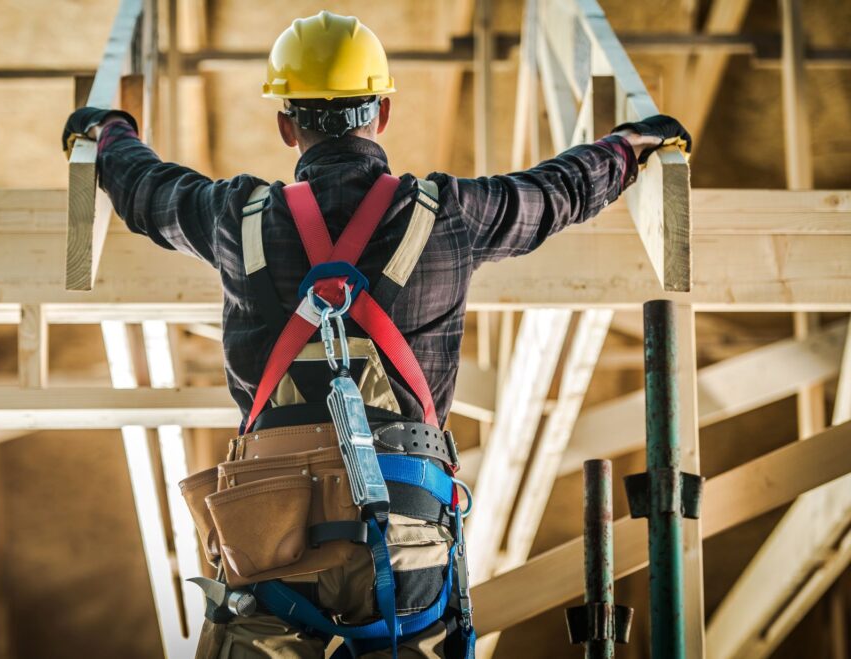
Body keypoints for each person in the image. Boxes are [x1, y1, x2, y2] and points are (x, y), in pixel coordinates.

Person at [62, 10, 690, 658]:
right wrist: (628, 148)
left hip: (267, 549)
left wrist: (108, 132)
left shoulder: (237, 217)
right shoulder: (447, 215)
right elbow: (553, 193)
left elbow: (148, 192)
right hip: (404, 540)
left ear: (286, 122)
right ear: (382, 113)